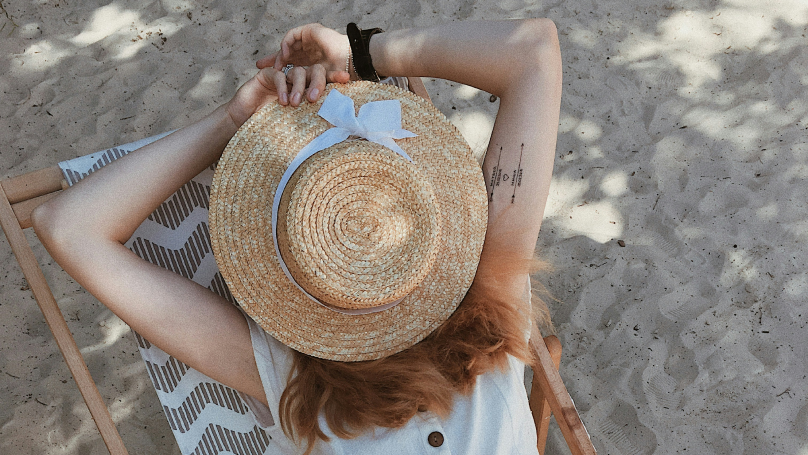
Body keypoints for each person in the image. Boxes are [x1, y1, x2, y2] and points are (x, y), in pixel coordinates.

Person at [31, 18, 562, 455]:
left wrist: (355, 54)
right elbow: (65, 228)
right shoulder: (293, 376)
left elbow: (535, 49)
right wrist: (236, 115)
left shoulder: (484, 289)